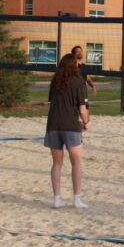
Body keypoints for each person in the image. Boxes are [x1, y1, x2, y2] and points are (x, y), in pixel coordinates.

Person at [45, 53, 91, 208]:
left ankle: (57, 199)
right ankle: (77, 199)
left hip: (53, 124)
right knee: (76, 162)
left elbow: (54, 103)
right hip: (70, 125)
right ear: (75, 65)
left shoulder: (55, 81)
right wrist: (86, 122)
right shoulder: (79, 82)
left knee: (57, 163)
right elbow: (83, 109)